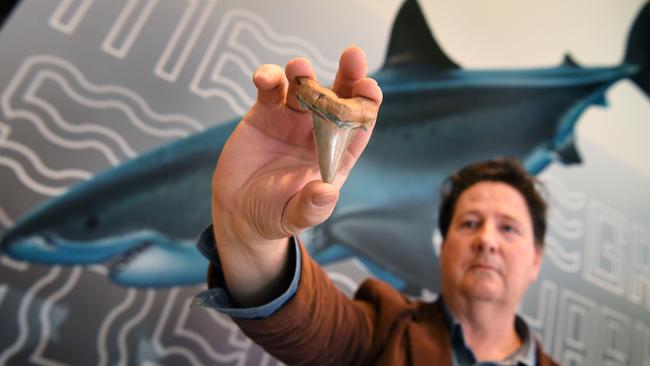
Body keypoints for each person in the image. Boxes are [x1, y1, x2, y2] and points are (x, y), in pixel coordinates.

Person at [192, 46, 561, 366]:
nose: (486, 240)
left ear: (536, 259)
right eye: (468, 223)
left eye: (508, 227)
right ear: (443, 246)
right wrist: (251, 236)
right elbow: (308, 322)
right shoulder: (382, 333)